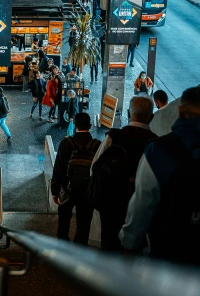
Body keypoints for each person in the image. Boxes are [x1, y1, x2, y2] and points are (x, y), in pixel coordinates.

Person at [119, 87, 200, 269]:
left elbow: (142, 203)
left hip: (166, 256)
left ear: (179, 111)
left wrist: (129, 244)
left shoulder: (157, 150)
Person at [90, 95, 158, 252]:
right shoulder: (156, 143)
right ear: (152, 117)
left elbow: (95, 166)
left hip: (110, 203)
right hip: (141, 208)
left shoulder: (113, 136)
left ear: (128, 113)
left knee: (109, 245)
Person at [51, 112, 101, 245]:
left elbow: (58, 168)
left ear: (75, 125)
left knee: (63, 223)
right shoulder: (97, 145)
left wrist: (55, 191)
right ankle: (79, 249)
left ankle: (62, 248)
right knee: (84, 224)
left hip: (67, 190)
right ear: (90, 125)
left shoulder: (66, 143)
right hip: (88, 192)